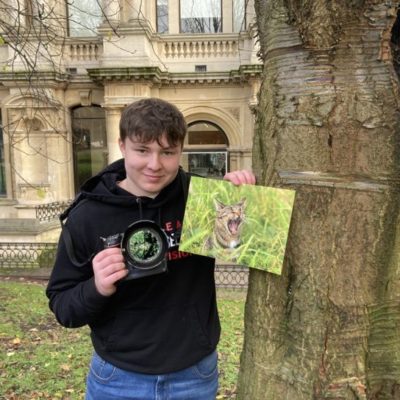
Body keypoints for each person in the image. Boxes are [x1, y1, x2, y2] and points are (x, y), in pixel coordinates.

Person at [46, 98, 256, 400]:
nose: (155, 165)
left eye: (168, 152)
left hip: (194, 375)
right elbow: (63, 307)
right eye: (142, 150)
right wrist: (97, 287)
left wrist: (240, 192)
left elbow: (248, 244)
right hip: (117, 379)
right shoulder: (88, 215)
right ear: (122, 145)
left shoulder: (200, 200)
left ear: (180, 150)